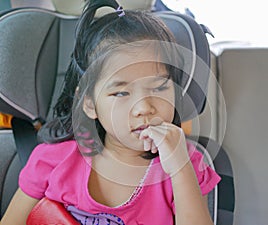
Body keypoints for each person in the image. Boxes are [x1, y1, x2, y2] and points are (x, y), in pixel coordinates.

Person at [0, 0, 220, 224]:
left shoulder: (185, 163)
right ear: (89, 104)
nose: (144, 108)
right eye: (121, 94)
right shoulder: (53, 160)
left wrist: (179, 167)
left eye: (159, 87)